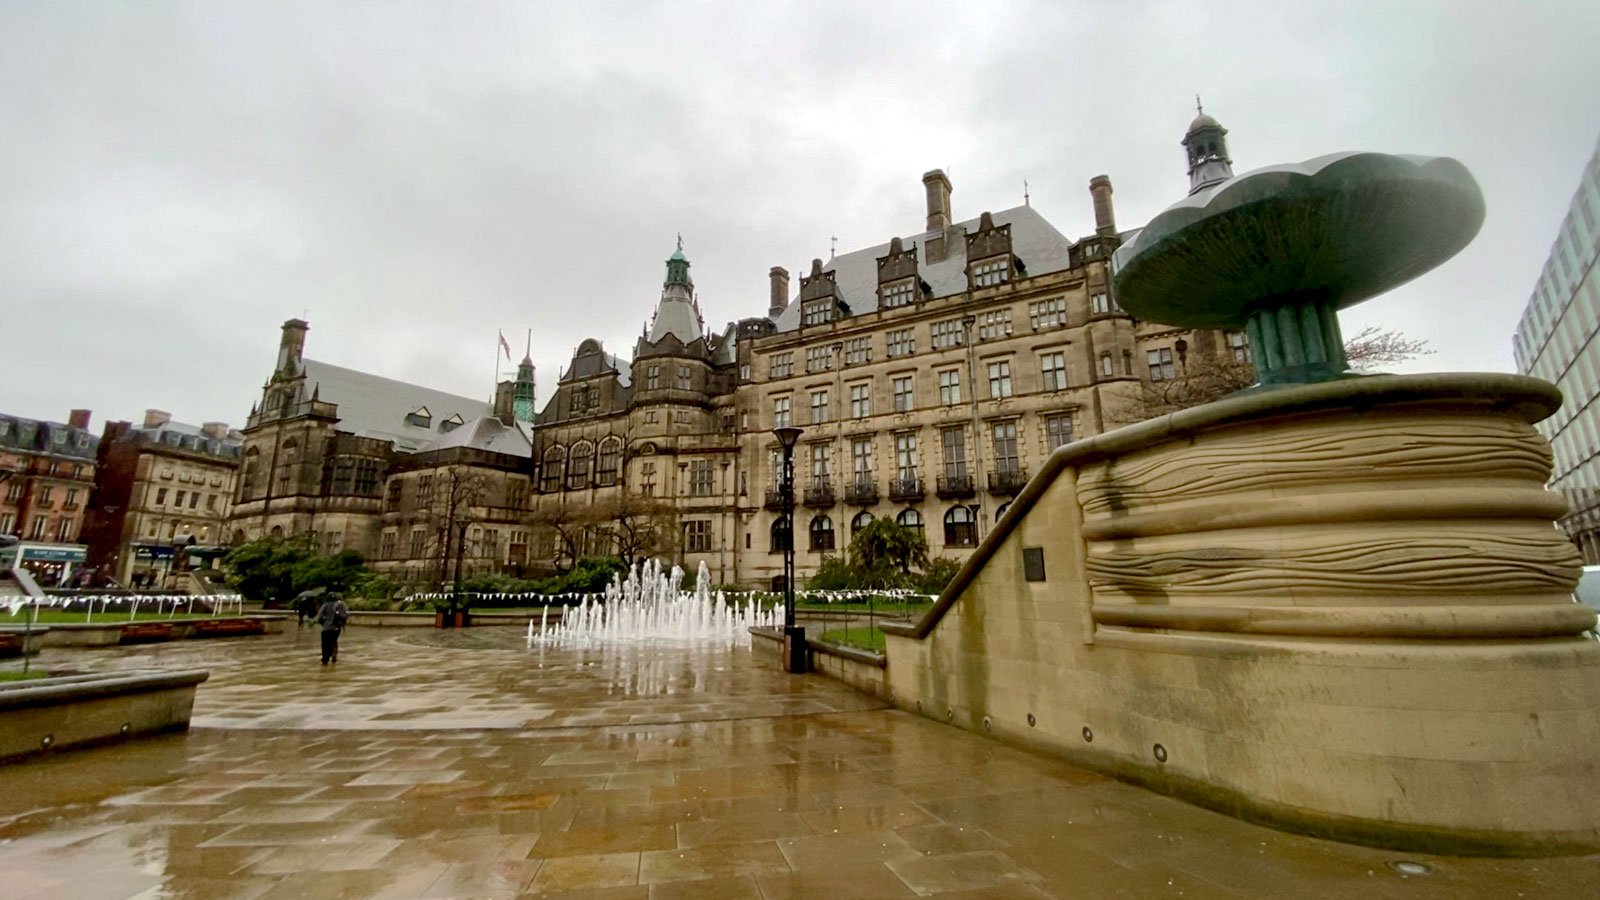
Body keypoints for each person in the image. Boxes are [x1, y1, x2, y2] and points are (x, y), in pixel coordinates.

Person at [315, 592, 349, 665]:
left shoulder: (326, 605)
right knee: (334, 641)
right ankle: (334, 655)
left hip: (326, 628)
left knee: (325, 644)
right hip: (337, 628)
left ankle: (325, 659)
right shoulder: (341, 605)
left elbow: (319, 617)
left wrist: (323, 624)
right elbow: (346, 614)